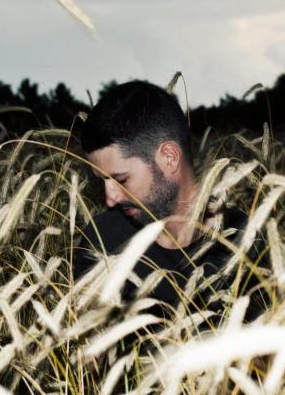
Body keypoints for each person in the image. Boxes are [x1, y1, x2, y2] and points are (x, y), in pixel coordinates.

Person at [72, 80, 265, 320]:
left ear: (169, 158)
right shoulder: (103, 238)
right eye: (101, 180)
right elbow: (88, 335)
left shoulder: (247, 240)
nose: (110, 199)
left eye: (121, 180)